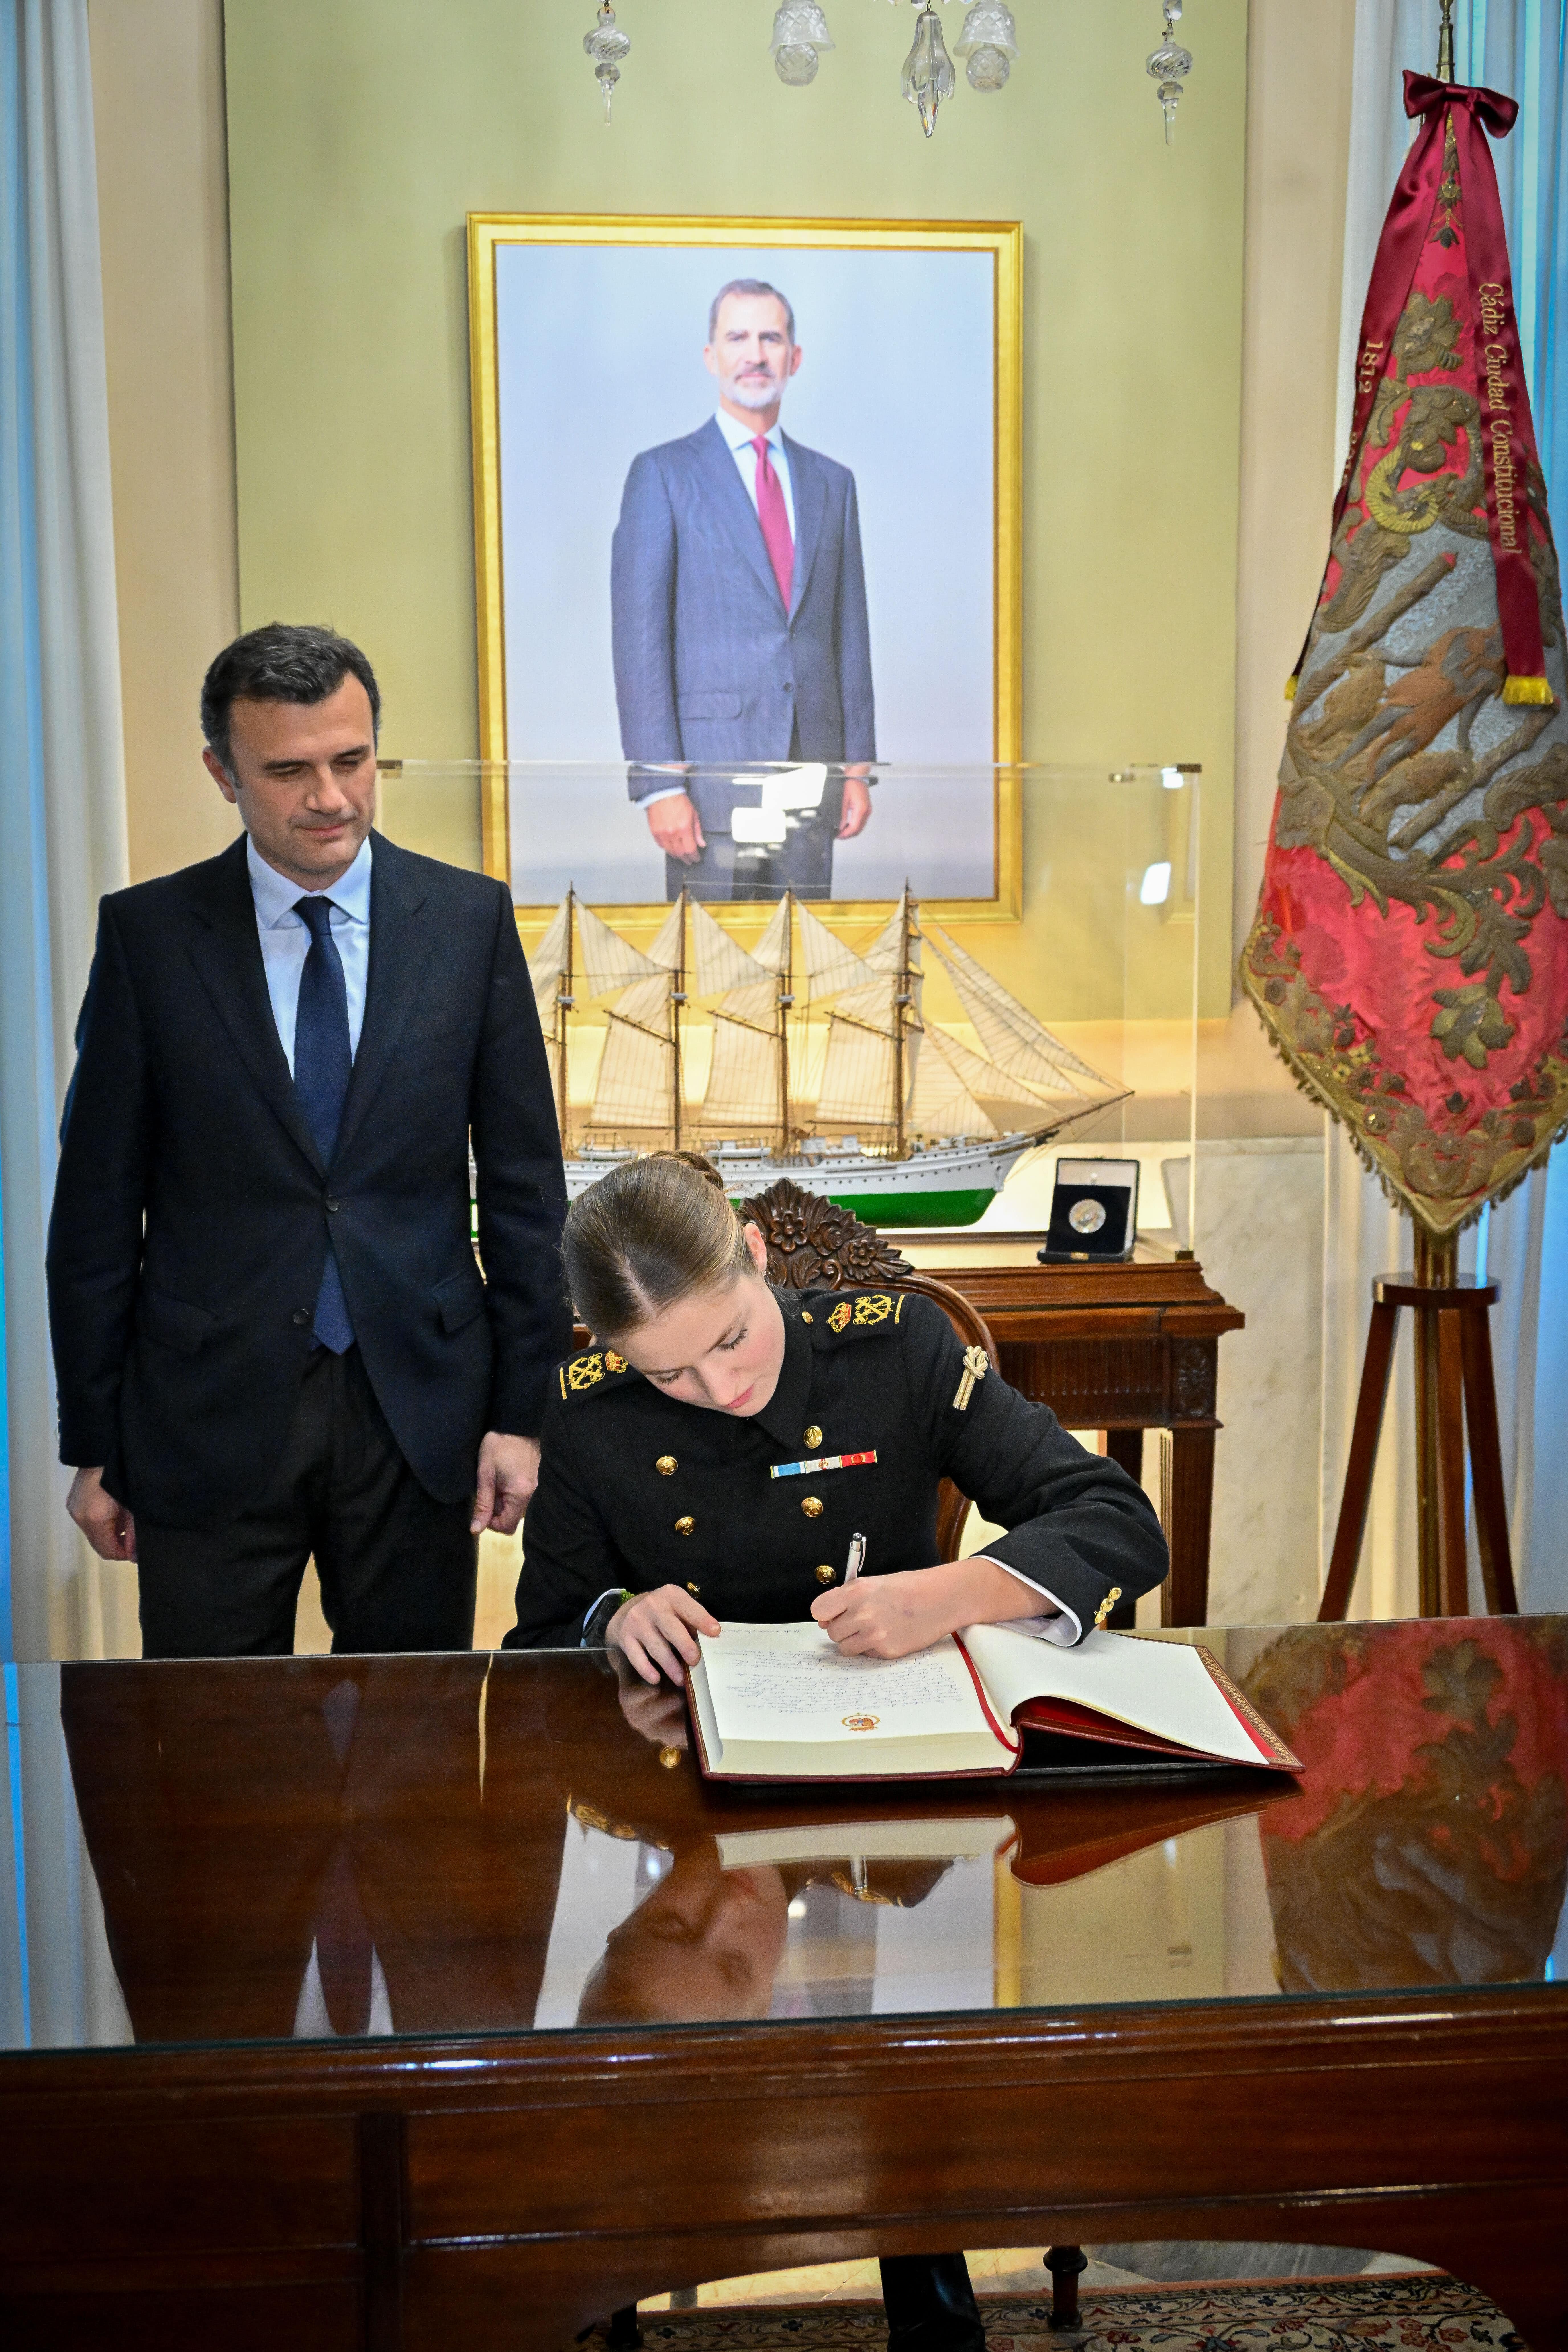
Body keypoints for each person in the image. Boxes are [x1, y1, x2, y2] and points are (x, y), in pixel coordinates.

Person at [505, 1151, 1167, 2350]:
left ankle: (923, 2243)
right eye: (668, 1370)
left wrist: (957, 1592)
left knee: (921, 2000)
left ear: (756, 1259)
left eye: (729, 1342)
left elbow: (1116, 1521)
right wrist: (618, 1616)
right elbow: (541, 1632)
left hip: (886, 1783)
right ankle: (626, 2243)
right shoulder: (590, 1408)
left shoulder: (893, 1350)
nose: (710, 1387)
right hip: (689, 1793)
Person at [47, 623, 572, 1658]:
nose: (329, 797)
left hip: (419, 1410)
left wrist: (523, 1412)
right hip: (203, 1411)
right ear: (223, 773)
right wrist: (96, 1442)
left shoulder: (468, 922)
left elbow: (523, 1194)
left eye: (351, 759)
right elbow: (96, 1211)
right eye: (288, 770)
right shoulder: (151, 938)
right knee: (202, 1759)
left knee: (409, 1754)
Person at [610, 279, 876, 902]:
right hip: (710, 783)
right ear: (712, 357)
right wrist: (661, 785)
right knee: (714, 977)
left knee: (801, 973)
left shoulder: (832, 484)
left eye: (770, 338)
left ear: (794, 357)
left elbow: (850, 633)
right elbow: (639, 641)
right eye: (738, 338)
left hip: (813, 774)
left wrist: (857, 770)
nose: (754, 353)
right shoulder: (663, 475)